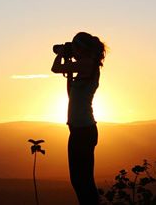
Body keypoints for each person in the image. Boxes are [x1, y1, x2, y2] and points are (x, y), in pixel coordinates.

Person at [51, 32, 106, 205]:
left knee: (81, 180)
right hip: (82, 129)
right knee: (82, 179)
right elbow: (71, 94)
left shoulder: (86, 64)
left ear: (81, 48)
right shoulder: (87, 65)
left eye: (74, 47)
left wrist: (62, 53)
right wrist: (68, 55)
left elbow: (55, 68)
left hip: (82, 131)